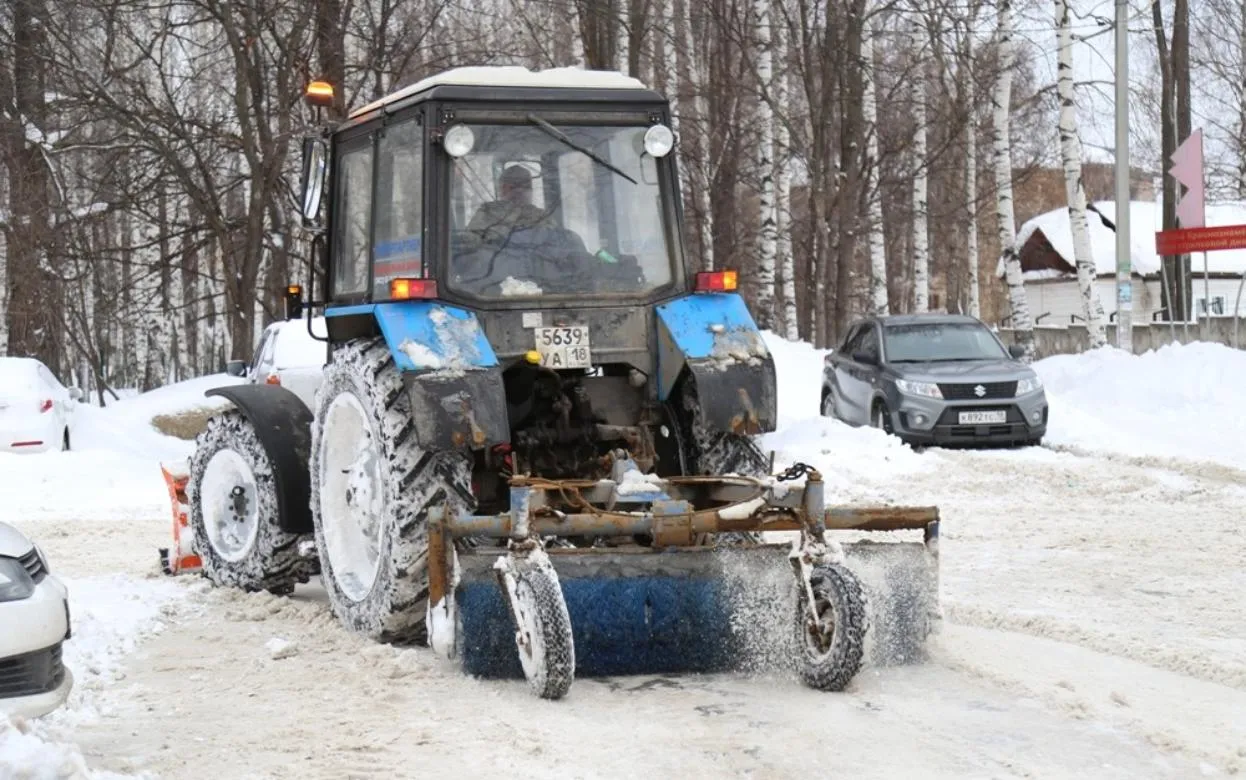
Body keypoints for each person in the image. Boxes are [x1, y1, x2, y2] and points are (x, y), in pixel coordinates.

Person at [466, 165, 555, 244]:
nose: (520, 190)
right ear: (502, 188)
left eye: (526, 186)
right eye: (514, 186)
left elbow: (558, 241)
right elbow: (471, 242)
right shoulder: (487, 212)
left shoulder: (542, 216)